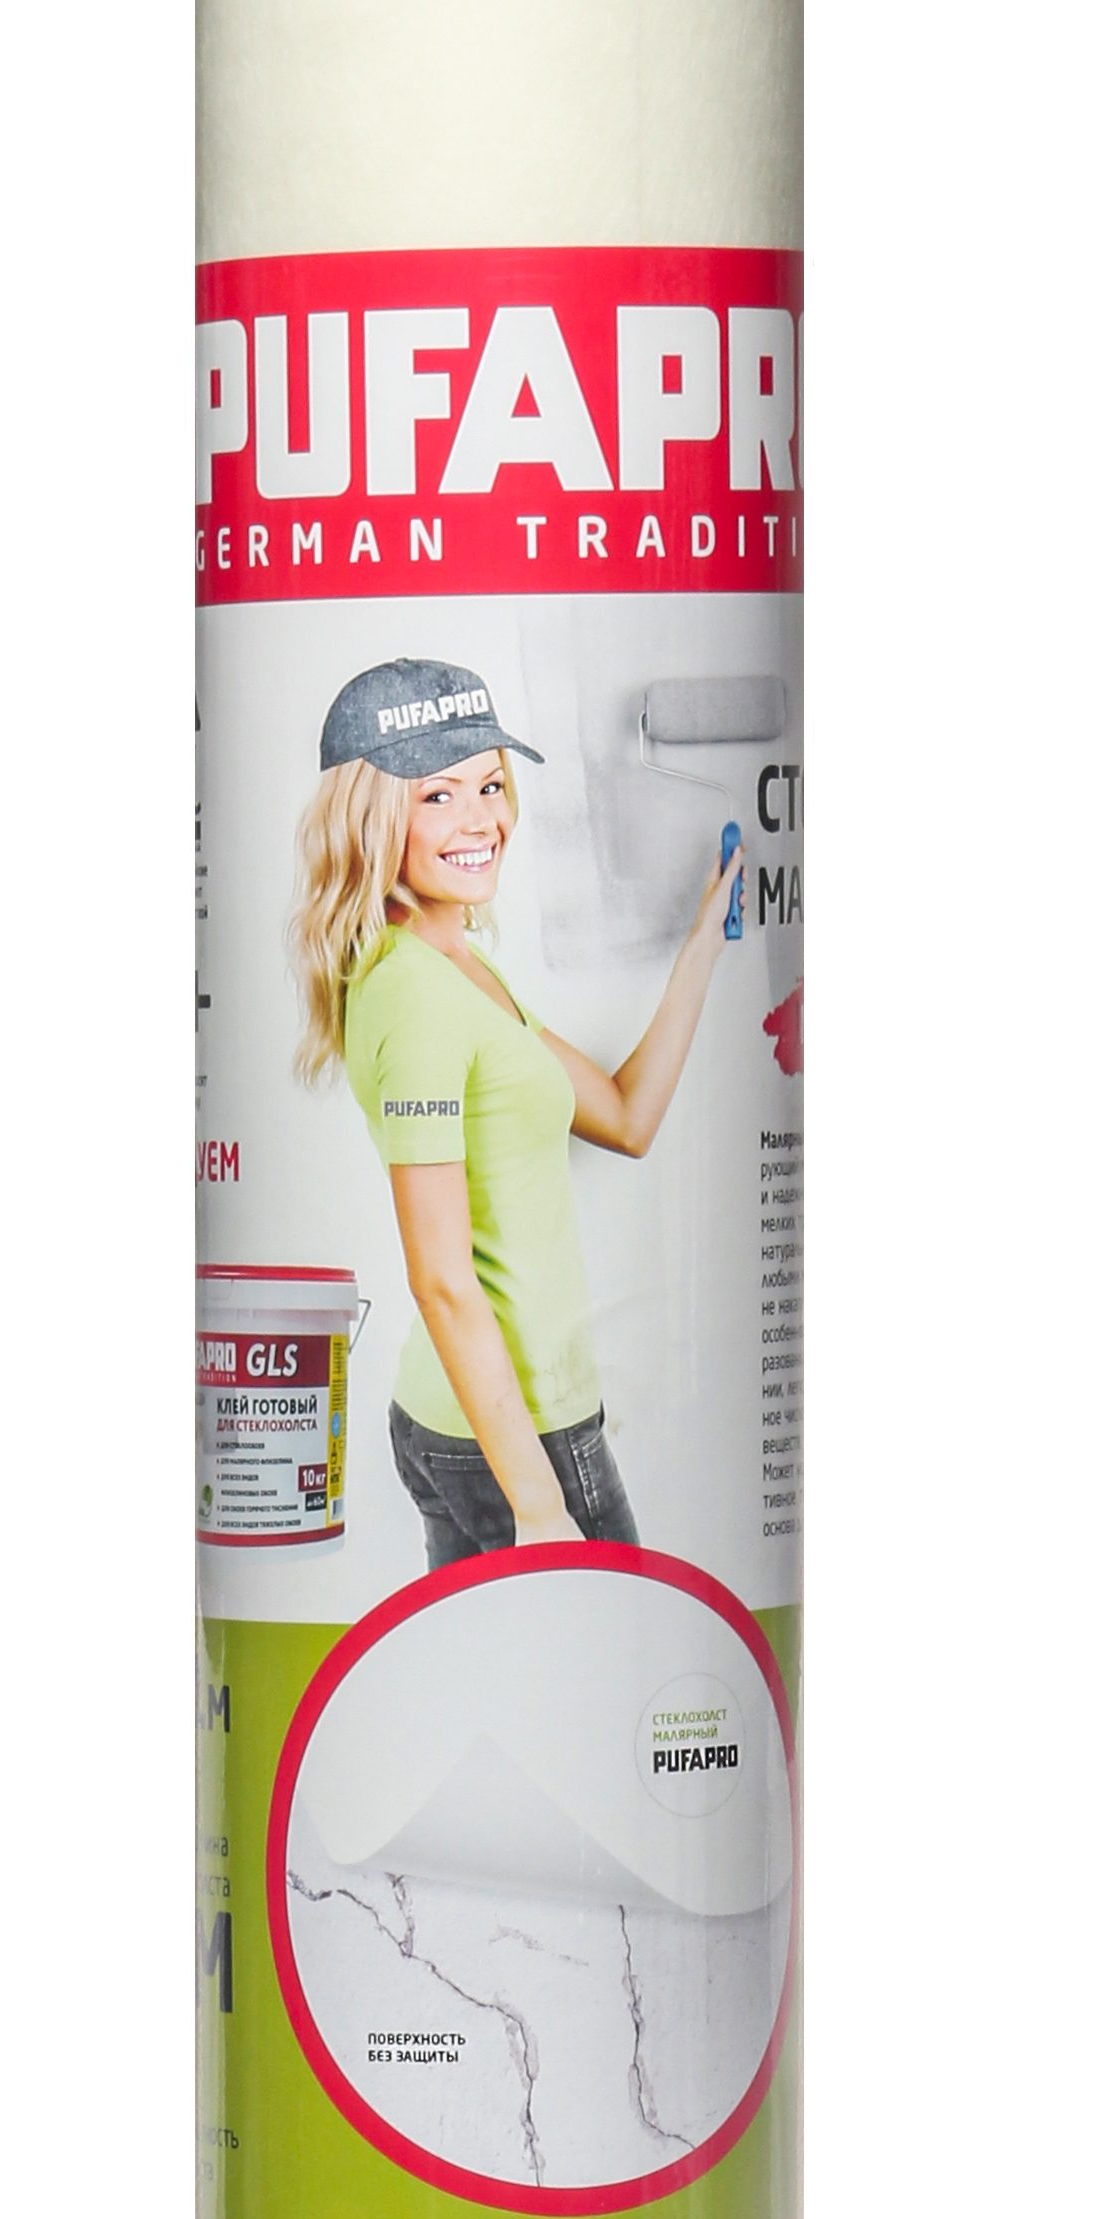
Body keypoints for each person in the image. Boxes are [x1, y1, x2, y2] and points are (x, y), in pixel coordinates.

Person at [288, 656, 739, 1569]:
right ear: (376, 814)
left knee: (493, 1665)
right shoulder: (417, 998)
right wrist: (538, 1501)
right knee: (611, 1653)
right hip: (519, 1433)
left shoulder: (457, 968)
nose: (481, 820)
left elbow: (626, 1116)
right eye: (438, 796)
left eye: (490, 784)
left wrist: (704, 941)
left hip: (459, 1421)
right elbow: (440, 1279)